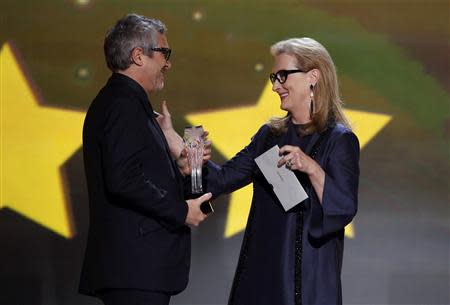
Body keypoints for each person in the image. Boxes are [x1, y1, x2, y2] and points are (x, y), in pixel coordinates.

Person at [164, 37, 359, 305]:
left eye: (283, 76)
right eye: (273, 77)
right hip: (260, 273)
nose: (276, 86)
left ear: (313, 76)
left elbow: (343, 208)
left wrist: (312, 168)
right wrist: (189, 152)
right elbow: (221, 180)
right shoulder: (270, 136)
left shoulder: (338, 140)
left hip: (306, 280)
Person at [79, 14, 212, 305]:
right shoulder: (121, 105)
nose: (168, 63)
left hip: (137, 269)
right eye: (164, 53)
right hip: (134, 268)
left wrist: (183, 166)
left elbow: (138, 175)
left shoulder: (131, 106)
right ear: (138, 56)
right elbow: (123, 179)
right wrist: (180, 211)